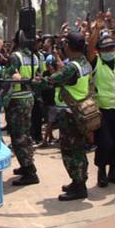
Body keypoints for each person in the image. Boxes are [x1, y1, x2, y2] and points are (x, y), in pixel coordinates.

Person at [34, 31, 93, 201]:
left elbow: (50, 81)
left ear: (68, 46)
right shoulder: (84, 63)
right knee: (78, 149)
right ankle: (77, 181)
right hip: (81, 110)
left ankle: (79, 185)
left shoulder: (72, 67)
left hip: (71, 113)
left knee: (71, 150)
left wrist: (29, 80)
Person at [88, 33, 115, 189]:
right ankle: (102, 171)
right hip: (102, 110)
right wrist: (96, 29)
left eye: (111, 47)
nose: (109, 51)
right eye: (105, 48)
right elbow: (90, 49)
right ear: (100, 51)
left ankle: (114, 171)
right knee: (105, 142)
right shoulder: (96, 62)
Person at [4, 30, 40, 186]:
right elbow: (37, 76)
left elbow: (7, 77)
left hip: (17, 100)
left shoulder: (15, 57)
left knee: (18, 136)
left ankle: (30, 170)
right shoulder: (34, 57)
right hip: (28, 97)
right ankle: (25, 166)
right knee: (25, 133)